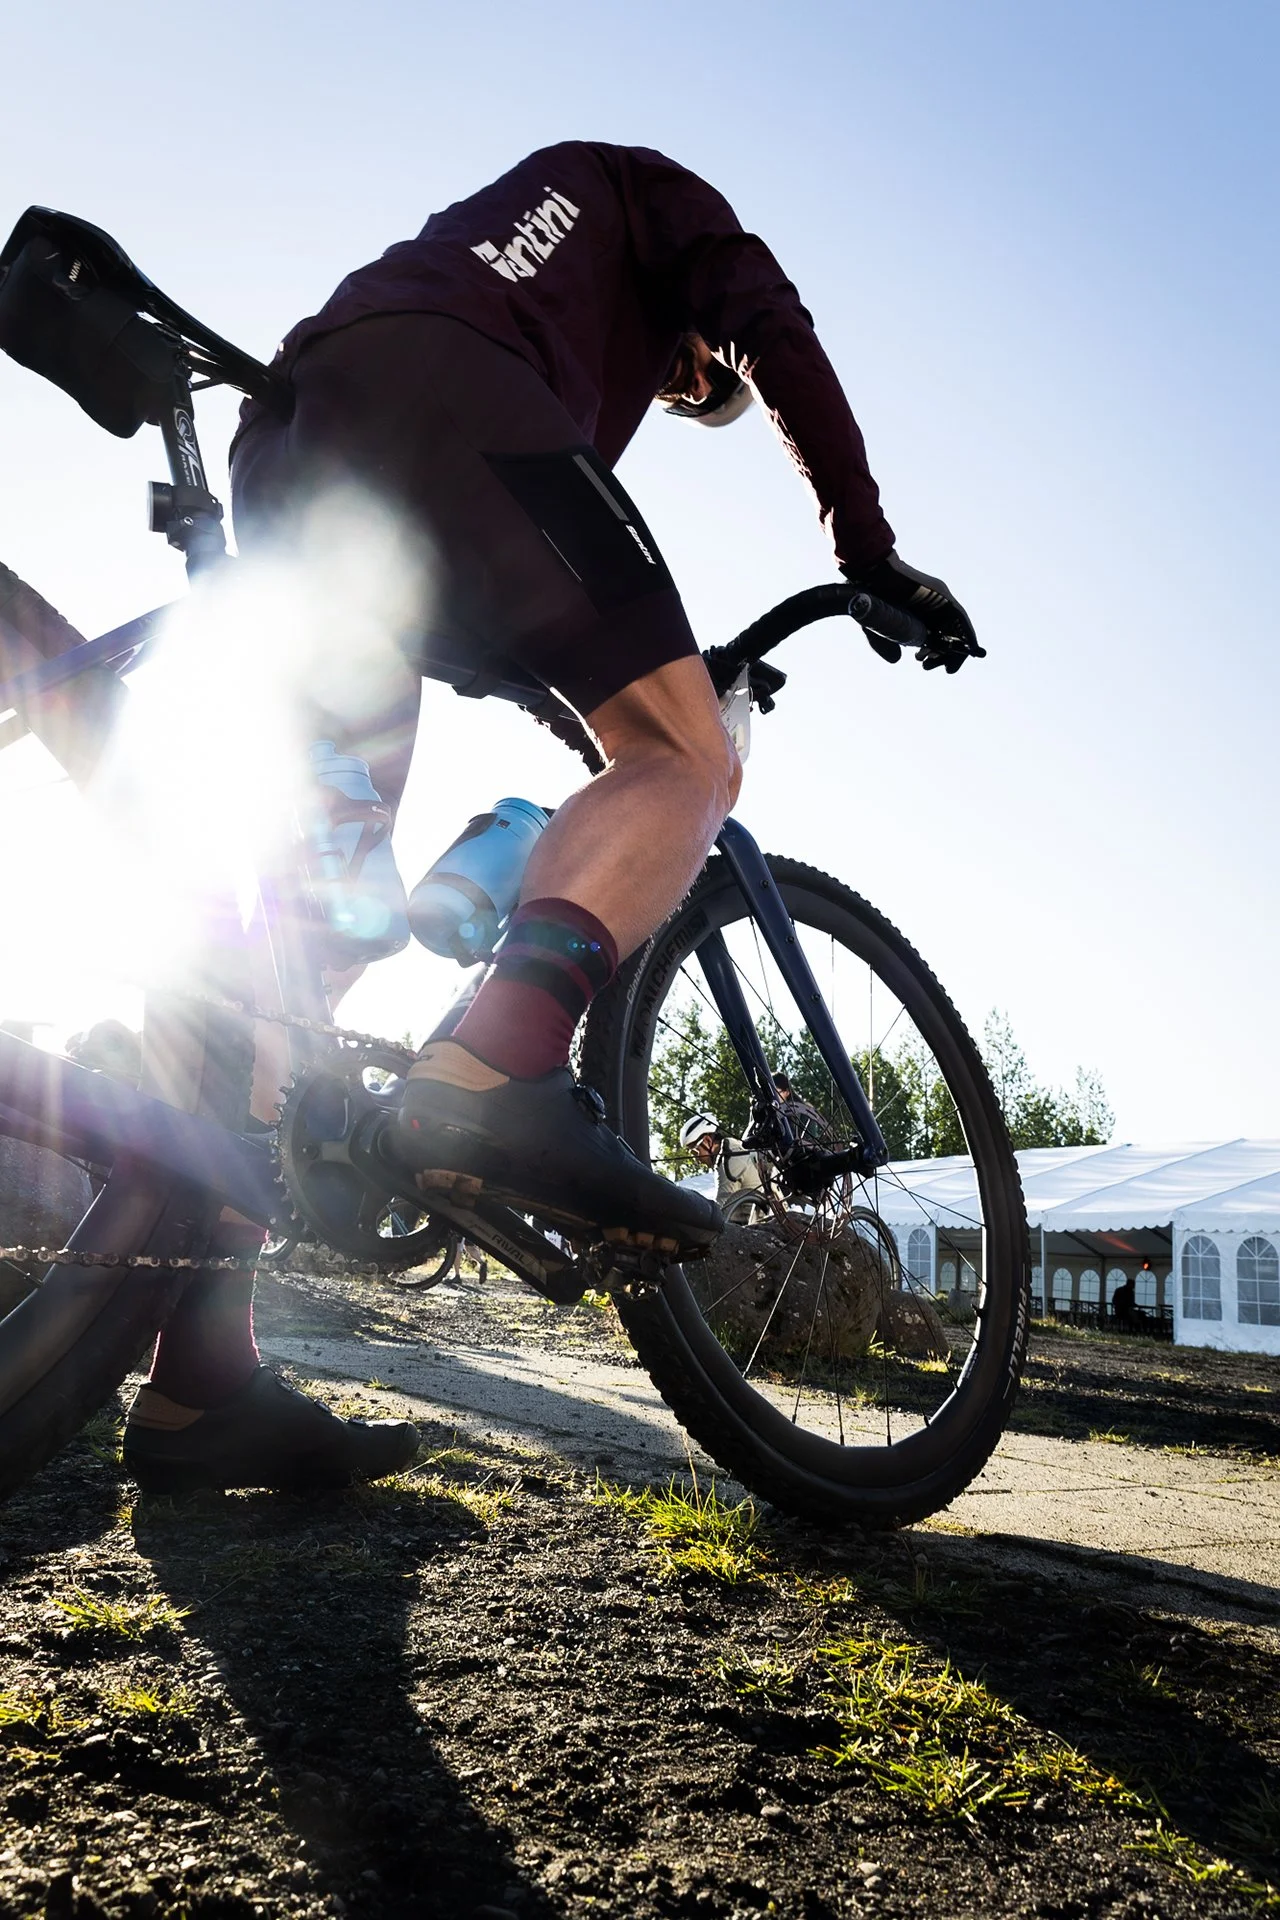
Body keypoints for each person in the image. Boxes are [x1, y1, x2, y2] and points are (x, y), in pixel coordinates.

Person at [123, 141, 978, 1493]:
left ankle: (192, 1369)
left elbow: (524, 620)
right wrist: (867, 552)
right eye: (697, 379)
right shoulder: (648, 197)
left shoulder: (511, 263)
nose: (690, 384)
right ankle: (496, 1067)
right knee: (691, 763)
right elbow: (774, 324)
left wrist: (615, 720)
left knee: (312, 933)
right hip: (448, 395)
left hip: (301, 438)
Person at [679, 1113, 766, 1209]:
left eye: (696, 1152)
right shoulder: (732, 1147)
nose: (696, 1160)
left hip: (761, 1220)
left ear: (707, 1141)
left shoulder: (728, 1162)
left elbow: (720, 1212)